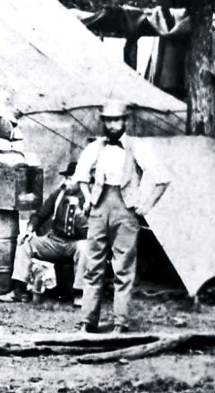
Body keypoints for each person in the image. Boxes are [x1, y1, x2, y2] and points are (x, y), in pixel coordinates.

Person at [74, 100, 170, 333]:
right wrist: (88, 198)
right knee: (93, 265)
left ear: (125, 121)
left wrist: (145, 206)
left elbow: (162, 178)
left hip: (126, 211)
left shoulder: (137, 147)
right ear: (104, 122)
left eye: (117, 119)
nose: (113, 124)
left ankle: (120, 322)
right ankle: (87, 321)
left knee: (123, 268)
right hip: (99, 210)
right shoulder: (95, 147)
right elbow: (81, 176)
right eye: (108, 120)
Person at [0, 161, 89, 306]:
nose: (65, 182)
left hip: (76, 243)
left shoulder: (89, 199)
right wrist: (29, 230)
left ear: (81, 181)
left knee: (85, 248)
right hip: (55, 240)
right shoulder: (59, 194)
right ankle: (19, 291)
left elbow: (91, 230)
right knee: (25, 243)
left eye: (70, 179)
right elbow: (40, 215)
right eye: (65, 178)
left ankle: (79, 294)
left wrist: (79, 214)